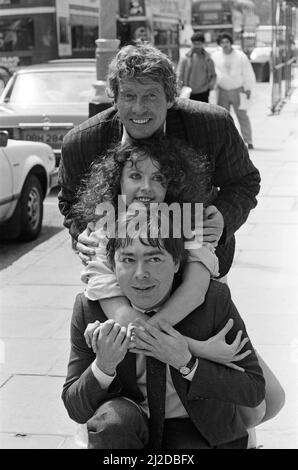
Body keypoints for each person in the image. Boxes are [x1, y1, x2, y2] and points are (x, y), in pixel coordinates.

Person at [58, 41, 261, 282]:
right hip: (117, 274)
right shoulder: (81, 143)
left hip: (198, 267)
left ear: (170, 98)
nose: (138, 108)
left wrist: (223, 218)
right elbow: (70, 200)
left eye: (150, 96)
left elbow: (244, 182)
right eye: (129, 96)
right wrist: (83, 233)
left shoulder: (212, 126)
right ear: (114, 99)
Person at [62, 210, 266, 449]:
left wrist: (188, 363)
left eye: (154, 259)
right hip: (127, 429)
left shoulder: (213, 301)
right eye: (128, 259)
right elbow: (75, 409)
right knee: (114, 422)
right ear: (111, 265)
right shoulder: (89, 309)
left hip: (196, 427)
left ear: (177, 262)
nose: (141, 273)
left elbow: (253, 389)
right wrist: (103, 366)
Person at [73, 136, 247, 368]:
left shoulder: (190, 222)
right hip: (141, 349)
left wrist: (160, 339)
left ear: (171, 185)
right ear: (118, 181)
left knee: (271, 396)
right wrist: (196, 348)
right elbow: (120, 314)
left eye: (158, 178)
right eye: (135, 176)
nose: (146, 187)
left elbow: (194, 292)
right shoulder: (102, 233)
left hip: (195, 322)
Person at [212, 33, 256, 150]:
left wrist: (248, 88)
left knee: (242, 116)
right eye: (222, 42)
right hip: (222, 91)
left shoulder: (240, 56)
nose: (225, 44)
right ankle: (225, 142)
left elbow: (248, 72)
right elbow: (213, 73)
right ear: (219, 44)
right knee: (223, 118)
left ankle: (248, 141)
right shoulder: (215, 56)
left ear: (231, 42)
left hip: (239, 90)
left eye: (227, 42)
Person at [177, 32, 216, 103]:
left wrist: (210, 86)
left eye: (199, 44)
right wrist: (179, 90)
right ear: (192, 44)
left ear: (203, 44)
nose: (197, 46)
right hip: (188, 92)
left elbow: (213, 75)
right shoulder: (185, 58)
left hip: (204, 92)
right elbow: (180, 74)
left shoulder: (208, 59)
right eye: (195, 44)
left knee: (203, 113)